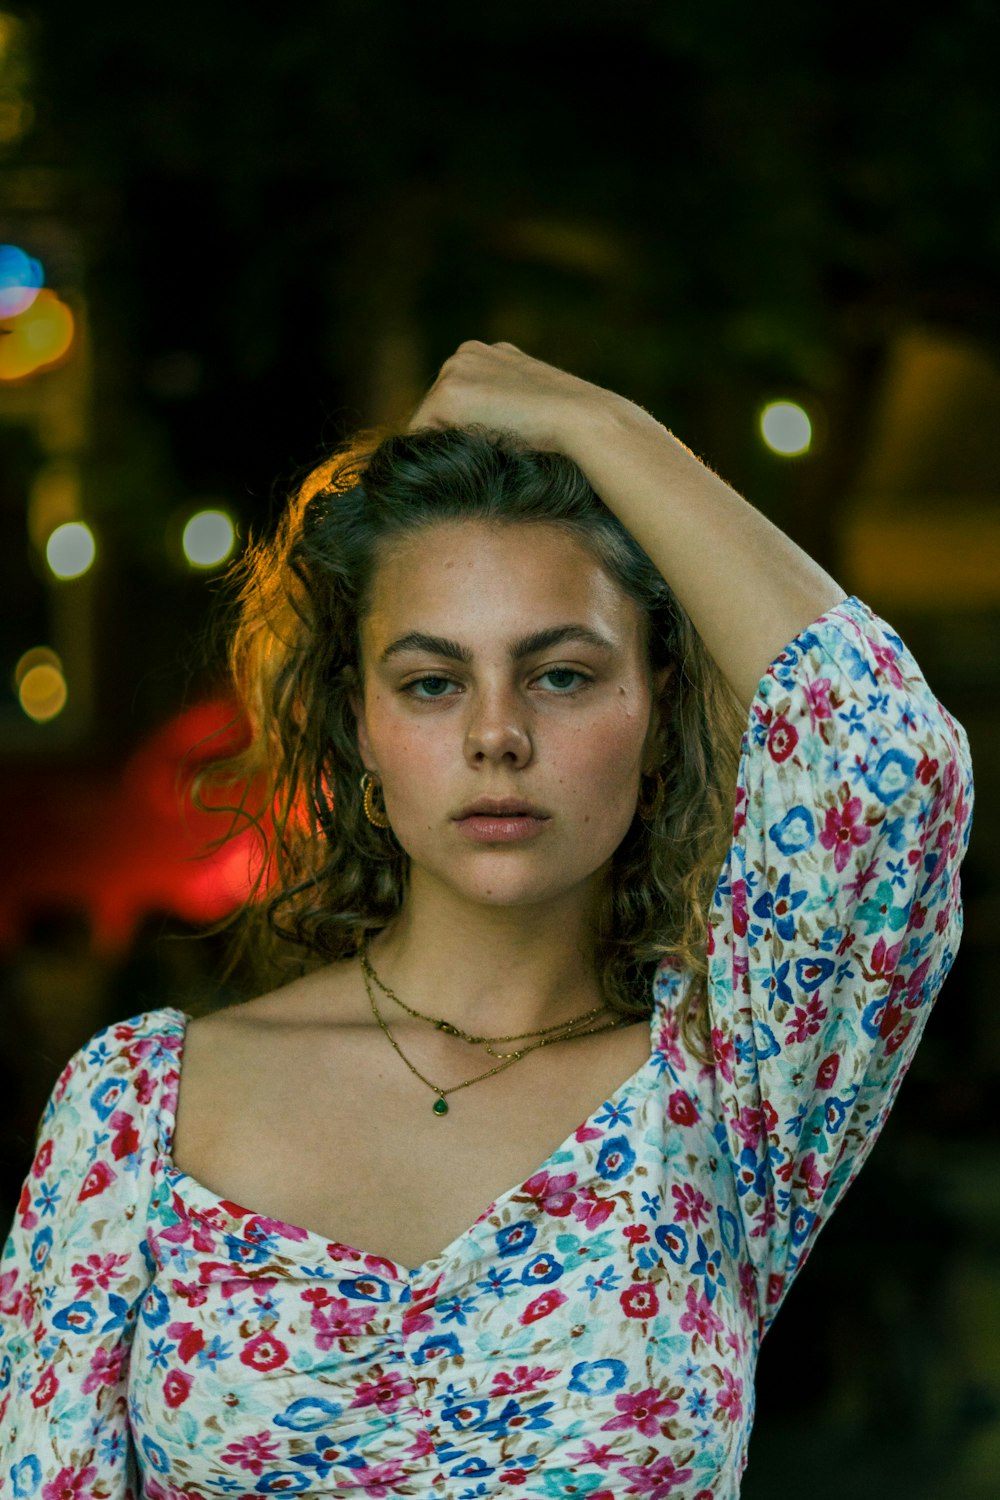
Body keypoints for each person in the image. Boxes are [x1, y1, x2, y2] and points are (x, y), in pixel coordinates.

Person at [0, 341, 974, 1497]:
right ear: (359, 725)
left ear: (656, 711)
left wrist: (607, 432)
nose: (496, 735)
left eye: (560, 674)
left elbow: (888, 763)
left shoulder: (728, 1100)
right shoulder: (133, 1112)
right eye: (431, 681)